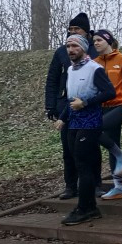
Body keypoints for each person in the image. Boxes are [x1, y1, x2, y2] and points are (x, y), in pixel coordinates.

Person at [56, 34, 116, 225]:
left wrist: (86, 103)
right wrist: (62, 118)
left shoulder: (94, 69)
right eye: (68, 46)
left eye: (74, 46)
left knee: (83, 164)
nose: (70, 50)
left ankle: (84, 208)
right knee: (79, 163)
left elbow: (109, 92)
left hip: (90, 124)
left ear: (83, 48)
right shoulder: (71, 70)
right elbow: (72, 98)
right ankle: (90, 207)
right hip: (74, 123)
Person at [45, 12, 97, 200]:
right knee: (68, 148)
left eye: (77, 29)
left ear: (87, 32)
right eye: (70, 30)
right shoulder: (61, 52)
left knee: (90, 148)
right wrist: (51, 105)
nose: (72, 32)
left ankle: (94, 184)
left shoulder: (96, 49)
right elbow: (52, 79)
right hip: (65, 107)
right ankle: (70, 185)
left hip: (90, 107)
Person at [91, 29, 122, 200]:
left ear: (108, 41)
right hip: (101, 107)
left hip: (119, 105)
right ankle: (119, 187)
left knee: (96, 129)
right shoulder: (93, 63)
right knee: (112, 145)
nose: (96, 43)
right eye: (94, 41)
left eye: (99, 40)